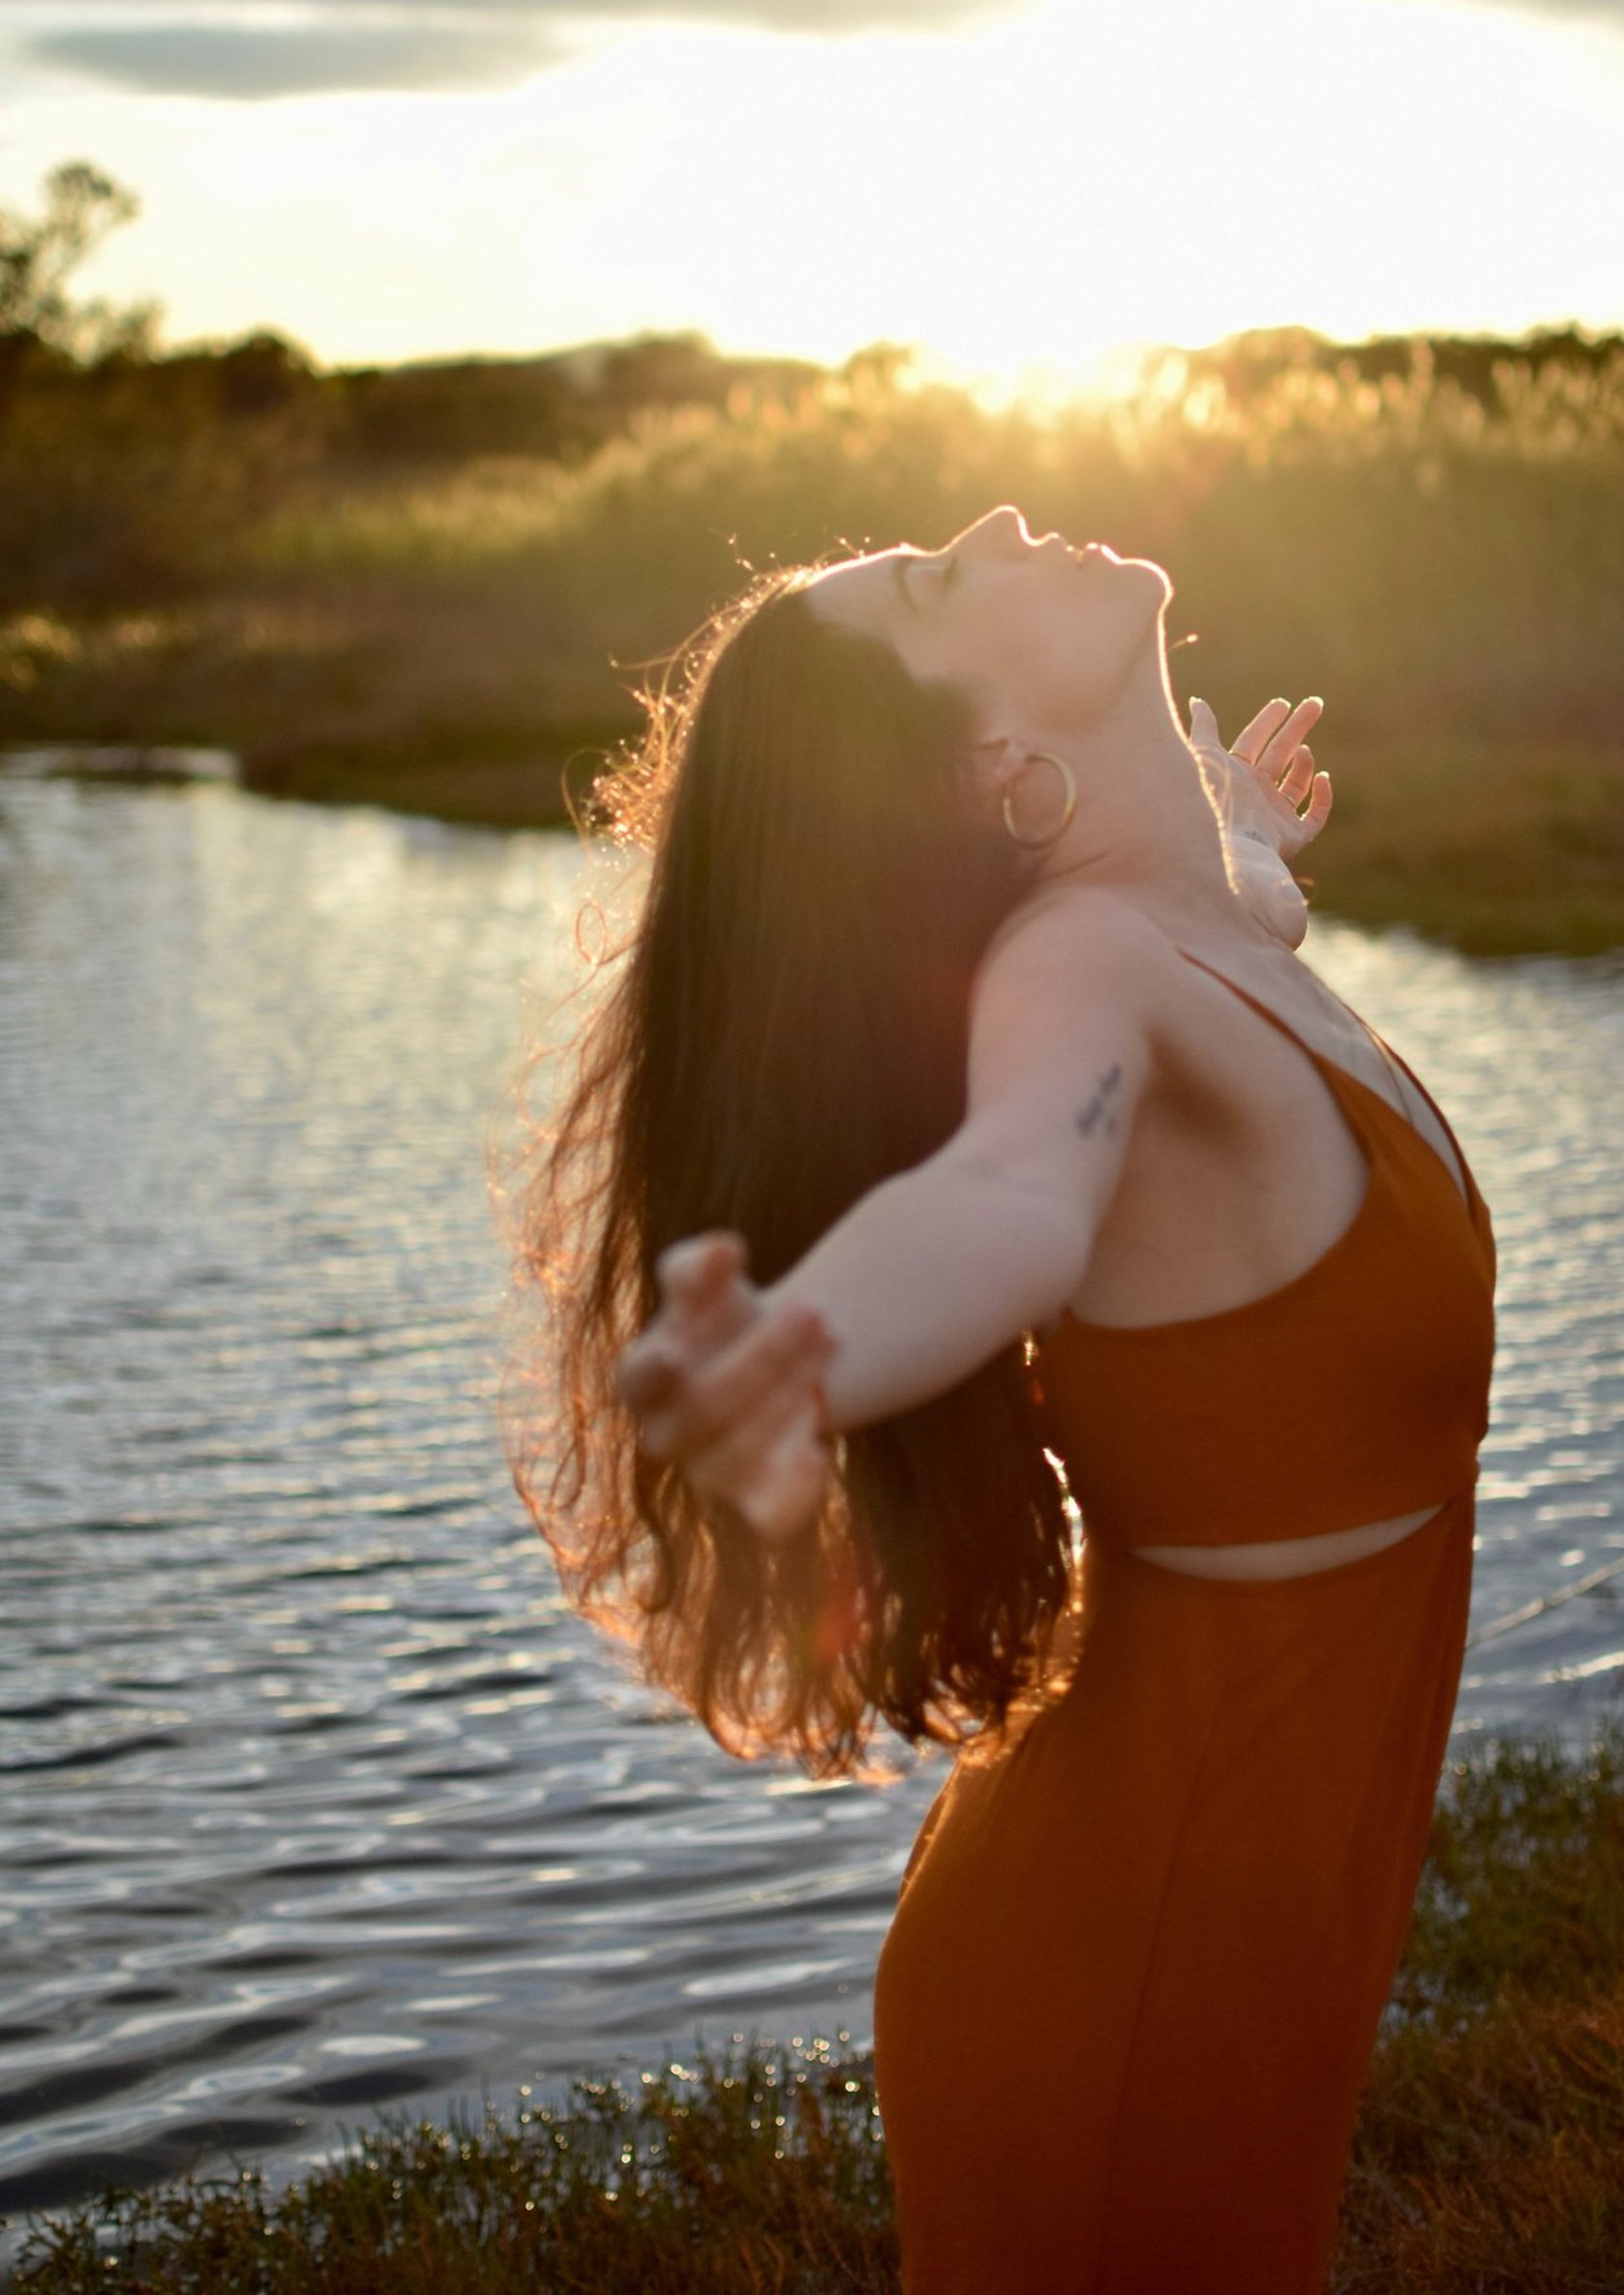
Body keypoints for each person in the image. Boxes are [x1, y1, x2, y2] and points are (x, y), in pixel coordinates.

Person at [517, 504, 1497, 2292]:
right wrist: (805, 1343)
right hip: (1125, 1948)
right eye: (943, 585)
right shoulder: (1086, 976)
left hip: (1242, 1913)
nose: (984, 519)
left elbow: (1216, 950)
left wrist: (1246, 849)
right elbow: (1013, 1194)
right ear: (989, 771)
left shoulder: (1198, 941)